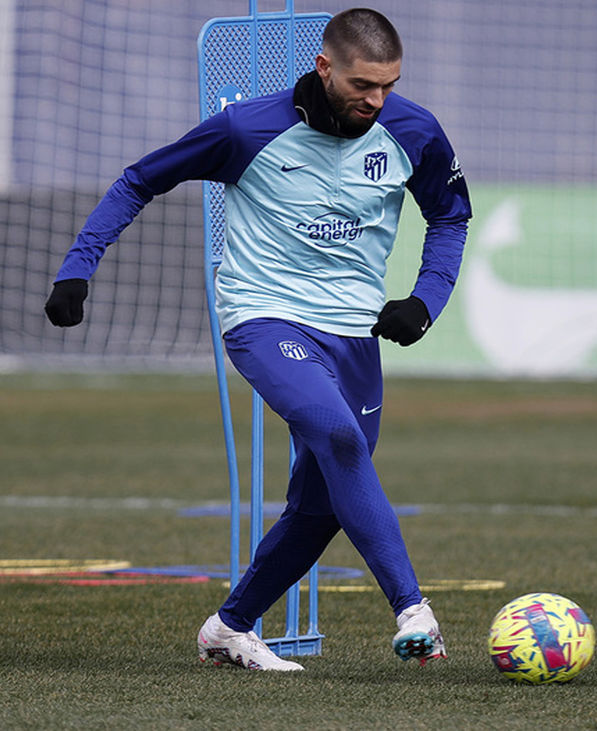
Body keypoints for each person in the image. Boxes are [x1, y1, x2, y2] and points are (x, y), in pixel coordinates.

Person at [43, 8, 470, 671]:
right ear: (324, 68)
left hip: (354, 335)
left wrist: (425, 301)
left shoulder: (413, 129)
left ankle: (229, 627)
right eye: (362, 84)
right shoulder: (247, 128)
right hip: (264, 318)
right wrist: (78, 268)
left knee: (321, 506)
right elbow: (139, 180)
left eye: (388, 85)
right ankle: (412, 609)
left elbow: (449, 216)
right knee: (340, 438)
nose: (376, 100)